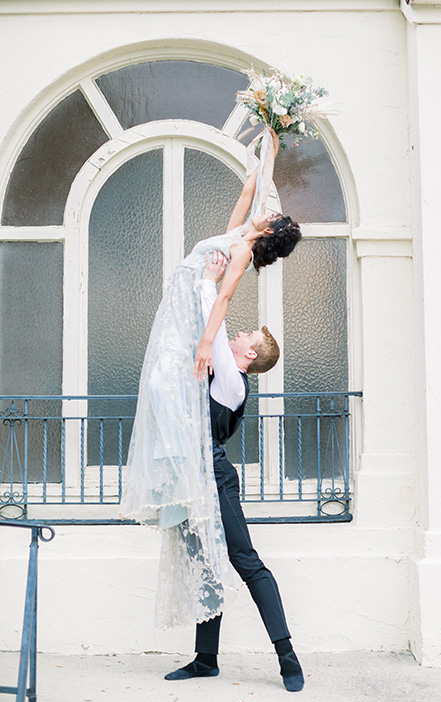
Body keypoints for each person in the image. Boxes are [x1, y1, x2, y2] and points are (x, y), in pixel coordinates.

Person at [121, 128, 301, 630]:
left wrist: (205, 341)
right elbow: (250, 189)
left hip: (190, 315)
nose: (263, 210)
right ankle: (206, 659)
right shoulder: (237, 236)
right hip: (180, 307)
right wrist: (271, 144)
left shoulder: (239, 255)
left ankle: (174, 467)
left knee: (163, 383)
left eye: (269, 217)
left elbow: (221, 300)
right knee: (159, 383)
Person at [163, 251, 304, 692]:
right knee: (206, 565)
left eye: (246, 335)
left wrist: (212, 281)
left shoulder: (231, 379)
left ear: (249, 353)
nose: (239, 334)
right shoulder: (219, 375)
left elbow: (216, 324)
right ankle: (206, 661)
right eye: (241, 330)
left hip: (216, 479)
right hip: (193, 476)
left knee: (245, 561)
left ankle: (287, 657)